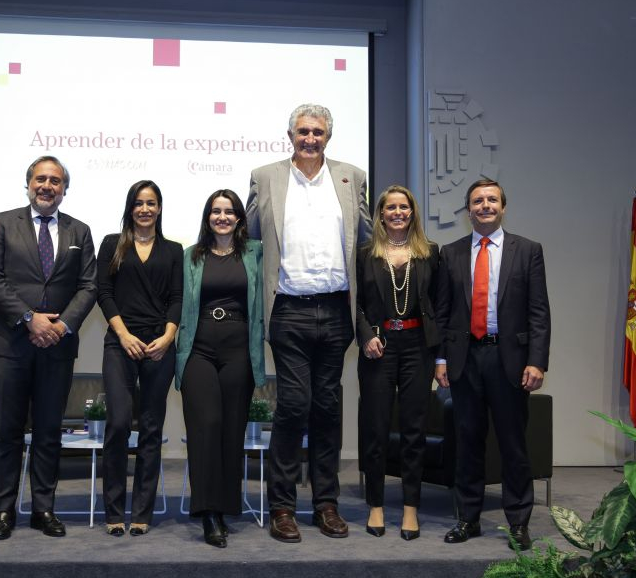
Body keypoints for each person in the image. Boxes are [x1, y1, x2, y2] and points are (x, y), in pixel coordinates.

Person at [247, 103, 371, 542]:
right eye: (303, 131)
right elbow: (250, 243)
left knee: (327, 408)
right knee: (294, 406)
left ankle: (326, 504)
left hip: (337, 311)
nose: (310, 138)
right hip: (289, 310)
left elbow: (367, 241)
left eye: (318, 131)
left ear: (329, 136)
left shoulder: (351, 176)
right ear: (290, 134)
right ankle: (282, 505)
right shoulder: (265, 177)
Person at [0, 156, 97, 540]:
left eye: (56, 181)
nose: (48, 186)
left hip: (57, 345)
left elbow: (89, 286)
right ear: (28, 183)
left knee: (49, 430)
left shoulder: (80, 231)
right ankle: (4, 510)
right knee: (8, 429)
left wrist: (60, 325)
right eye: (41, 179)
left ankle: (44, 508)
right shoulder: (2, 222)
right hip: (11, 342)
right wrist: (31, 318)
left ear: (65, 188)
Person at [435, 178, 550, 551]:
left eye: (492, 200)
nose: (485, 206)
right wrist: (439, 358)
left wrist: (537, 361)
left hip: (509, 360)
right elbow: (443, 311)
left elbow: (539, 312)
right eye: (477, 201)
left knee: (513, 443)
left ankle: (518, 521)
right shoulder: (449, 253)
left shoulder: (528, 250)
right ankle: (468, 519)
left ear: (503, 206)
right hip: (465, 359)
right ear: (468, 209)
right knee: (467, 442)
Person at [176, 189, 265, 548]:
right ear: (207, 217)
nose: (222, 217)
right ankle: (208, 512)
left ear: (240, 218)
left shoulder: (256, 253)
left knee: (231, 429)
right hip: (198, 348)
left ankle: (226, 505)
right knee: (206, 423)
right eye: (216, 211)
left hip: (239, 347)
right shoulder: (189, 257)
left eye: (229, 212)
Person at [96, 180, 182, 537]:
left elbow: (178, 297)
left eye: (151, 203)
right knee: (117, 425)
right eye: (139, 203)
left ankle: (142, 512)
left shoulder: (175, 250)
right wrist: (124, 334)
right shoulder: (111, 245)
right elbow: (103, 292)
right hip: (121, 342)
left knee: (150, 428)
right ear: (130, 207)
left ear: (159, 208)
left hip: (159, 345)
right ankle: (114, 509)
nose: (145, 209)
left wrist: (167, 337)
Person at [355, 185, 439, 541]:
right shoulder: (365, 255)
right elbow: (355, 303)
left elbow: (441, 306)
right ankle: (375, 505)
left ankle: (409, 509)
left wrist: (442, 355)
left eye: (404, 207)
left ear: (412, 212)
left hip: (418, 347)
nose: (398, 212)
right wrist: (365, 336)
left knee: (413, 430)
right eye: (391, 207)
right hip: (379, 346)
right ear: (381, 214)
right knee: (375, 429)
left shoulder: (431, 253)